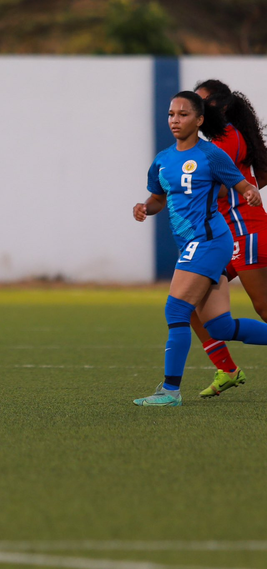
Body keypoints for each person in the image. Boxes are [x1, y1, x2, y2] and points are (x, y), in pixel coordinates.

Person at [132, 91, 267, 406]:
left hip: (209, 241)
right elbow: (158, 199)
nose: (175, 120)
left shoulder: (211, 155)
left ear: (200, 120)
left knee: (176, 309)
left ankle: (170, 392)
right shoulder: (162, 160)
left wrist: (250, 193)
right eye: (171, 114)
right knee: (219, 325)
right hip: (193, 245)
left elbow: (241, 185)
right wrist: (144, 207)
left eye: (183, 114)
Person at [185, 80, 267, 397]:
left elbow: (220, 185)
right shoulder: (221, 139)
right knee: (186, 302)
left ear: (219, 105)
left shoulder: (226, 137)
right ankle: (228, 369)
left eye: (201, 102)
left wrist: (184, 186)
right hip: (227, 236)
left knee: (264, 309)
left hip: (246, 232)